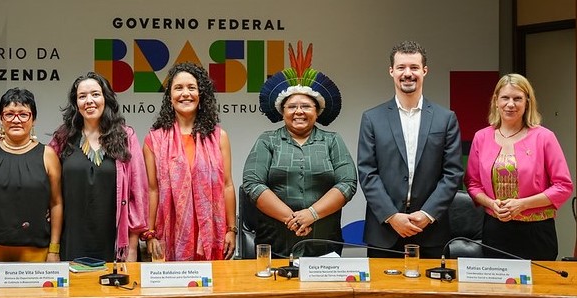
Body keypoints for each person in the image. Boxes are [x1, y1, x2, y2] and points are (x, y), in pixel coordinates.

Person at [242, 42, 357, 258]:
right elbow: (252, 183)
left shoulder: (333, 141)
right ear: (282, 110)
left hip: (324, 243)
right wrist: (292, 218)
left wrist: (312, 214)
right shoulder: (267, 141)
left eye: (306, 106)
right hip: (275, 244)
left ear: (317, 110)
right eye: (292, 106)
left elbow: (348, 183)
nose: (299, 112)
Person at [357, 40, 463, 259]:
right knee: (382, 294)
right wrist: (391, 216)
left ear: (424, 71)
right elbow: (367, 172)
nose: (408, 73)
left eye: (414, 67)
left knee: (430, 294)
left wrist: (427, 214)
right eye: (401, 67)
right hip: (385, 232)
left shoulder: (446, 119)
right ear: (391, 71)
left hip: (431, 231)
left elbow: (453, 174)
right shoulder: (372, 118)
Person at [464, 73, 573, 260]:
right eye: (505, 98)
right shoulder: (481, 137)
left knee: (537, 287)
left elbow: (563, 186)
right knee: (497, 288)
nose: (510, 104)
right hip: (495, 230)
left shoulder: (544, 137)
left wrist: (522, 204)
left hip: (536, 232)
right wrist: (491, 204)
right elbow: (473, 184)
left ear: (527, 102)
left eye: (518, 98)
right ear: (496, 101)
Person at [49, 72, 148, 262]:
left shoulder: (126, 137)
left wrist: (132, 248)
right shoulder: (62, 139)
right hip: (71, 241)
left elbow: (139, 193)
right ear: (75, 104)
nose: (89, 101)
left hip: (113, 243)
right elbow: (44, 176)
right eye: (82, 96)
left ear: (106, 98)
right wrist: (1, 136)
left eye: (95, 94)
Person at [143, 62, 236, 261]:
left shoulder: (219, 137)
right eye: (178, 88)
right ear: (170, 97)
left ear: (201, 95)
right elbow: (152, 190)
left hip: (212, 233)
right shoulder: (154, 140)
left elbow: (227, 185)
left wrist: (231, 229)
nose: (185, 93)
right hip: (169, 234)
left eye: (191, 88)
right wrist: (150, 233)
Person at [0, 88, 63, 263]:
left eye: (23, 114)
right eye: (9, 114)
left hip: (36, 252)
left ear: (33, 119)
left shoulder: (47, 155)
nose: (16, 120)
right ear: (1, 118)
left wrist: (54, 249)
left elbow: (56, 203)